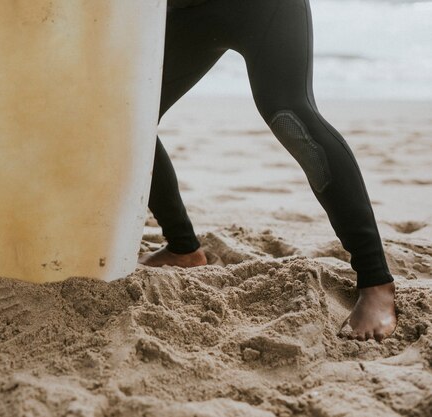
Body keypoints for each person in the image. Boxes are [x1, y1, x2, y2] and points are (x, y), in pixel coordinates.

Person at [138, 0, 397, 342]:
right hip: (184, 9)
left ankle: (375, 279)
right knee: (129, 118)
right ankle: (183, 248)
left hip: (264, 6)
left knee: (292, 119)